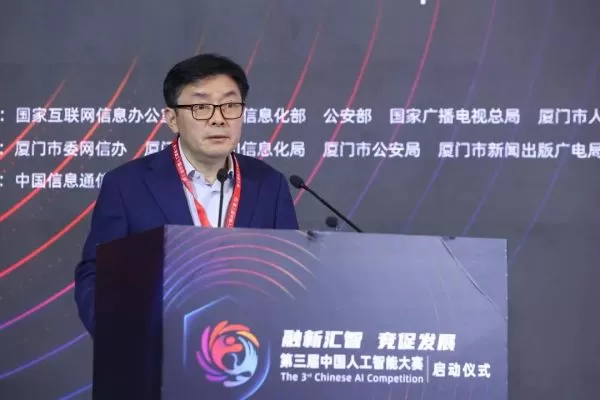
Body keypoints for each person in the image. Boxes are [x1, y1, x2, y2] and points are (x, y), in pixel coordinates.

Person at [74, 53, 299, 337]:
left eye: (230, 105)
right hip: (156, 350)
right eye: (201, 107)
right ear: (172, 119)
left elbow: (289, 276)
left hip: (247, 350)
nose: (218, 119)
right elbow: (97, 276)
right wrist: (123, 338)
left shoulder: (269, 184)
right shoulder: (127, 185)